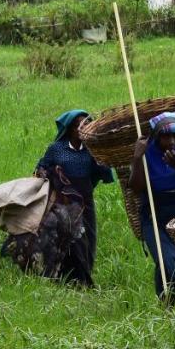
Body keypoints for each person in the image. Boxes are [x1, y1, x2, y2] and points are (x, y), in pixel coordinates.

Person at [30, 109, 115, 287]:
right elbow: (42, 166)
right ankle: (70, 279)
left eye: (84, 125)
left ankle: (84, 274)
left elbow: (103, 171)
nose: (80, 129)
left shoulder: (91, 149)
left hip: (85, 200)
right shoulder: (57, 149)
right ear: (69, 129)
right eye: (76, 125)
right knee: (71, 239)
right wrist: (44, 173)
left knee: (88, 238)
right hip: (63, 201)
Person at [129, 111, 175, 303]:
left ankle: (173, 304)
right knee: (166, 261)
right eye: (166, 137)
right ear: (156, 137)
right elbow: (136, 188)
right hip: (154, 212)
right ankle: (167, 302)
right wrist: (137, 158)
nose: (171, 142)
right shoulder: (146, 152)